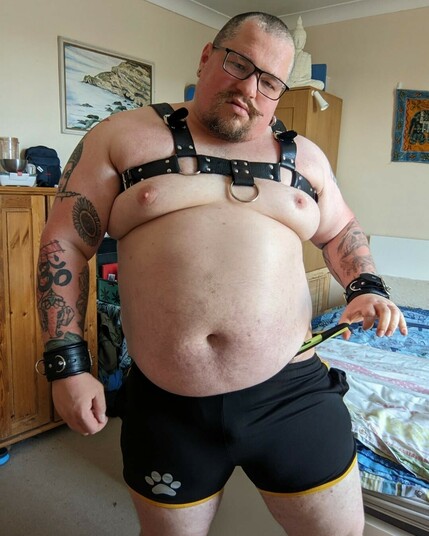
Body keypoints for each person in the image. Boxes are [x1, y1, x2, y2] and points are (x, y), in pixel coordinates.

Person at [36, 12, 407, 536]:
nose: (250, 89)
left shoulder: (306, 158)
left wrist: (365, 287)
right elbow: (66, 242)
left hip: (291, 394)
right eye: (239, 64)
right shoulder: (122, 136)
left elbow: (341, 228)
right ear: (208, 56)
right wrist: (67, 364)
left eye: (270, 82)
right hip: (168, 404)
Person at [287, 16, 324, 89]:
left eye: (301, 39)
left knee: (321, 84)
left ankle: (291, 86)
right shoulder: (289, 55)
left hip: (300, 82)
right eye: (296, 39)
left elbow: (307, 76)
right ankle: (289, 85)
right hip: (288, 81)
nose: (298, 42)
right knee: (281, 81)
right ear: (293, 39)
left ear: (304, 41)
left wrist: (299, 80)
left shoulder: (307, 56)